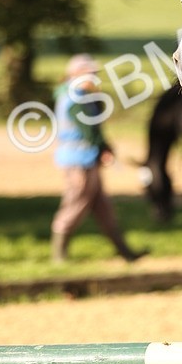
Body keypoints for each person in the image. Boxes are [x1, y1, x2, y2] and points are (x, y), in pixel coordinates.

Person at [50, 54, 147, 263]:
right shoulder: (78, 98)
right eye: (90, 74)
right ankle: (58, 256)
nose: (94, 78)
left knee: (104, 210)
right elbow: (88, 129)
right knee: (75, 205)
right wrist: (103, 148)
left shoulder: (72, 94)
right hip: (80, 160)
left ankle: (126, 253)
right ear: (75, 75)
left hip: (84, 158)